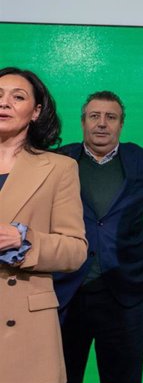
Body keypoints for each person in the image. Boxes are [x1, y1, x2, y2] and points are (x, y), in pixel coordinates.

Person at [53, 90, 143, 383]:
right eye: (94, 116)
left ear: (120, 124)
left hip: (124, 293)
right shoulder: (59, 160)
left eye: (110, 117)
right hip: (67, 293)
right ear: (83, 123)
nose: (102, 123)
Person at [0, 67, 87, 383]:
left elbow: (75, 251)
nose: (4, 103)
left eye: (17, 97)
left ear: (36, 111)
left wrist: (21, 240)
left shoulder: (59, 168)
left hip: (26, 326)